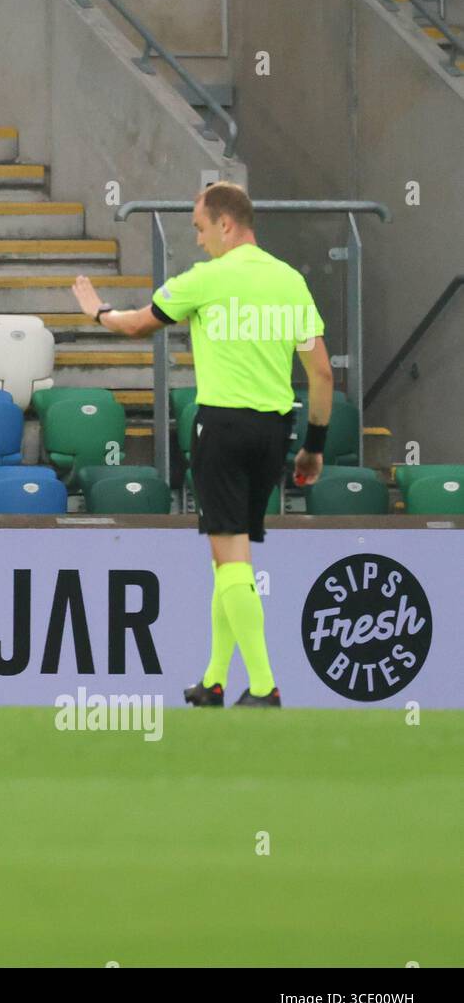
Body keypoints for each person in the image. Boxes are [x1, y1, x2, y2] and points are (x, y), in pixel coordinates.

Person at [72, 182, 333, 708]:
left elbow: (137, 325)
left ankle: (263, 686)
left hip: (221, 427)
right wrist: (314, 447)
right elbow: (322, 372)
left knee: (231, 556)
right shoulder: (289, 282)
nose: (197, 240)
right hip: (275, 432)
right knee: (228, 553)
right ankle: (214, 679)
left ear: (226, 224)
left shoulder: (206, 280)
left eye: (199, 228)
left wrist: (97, 311)